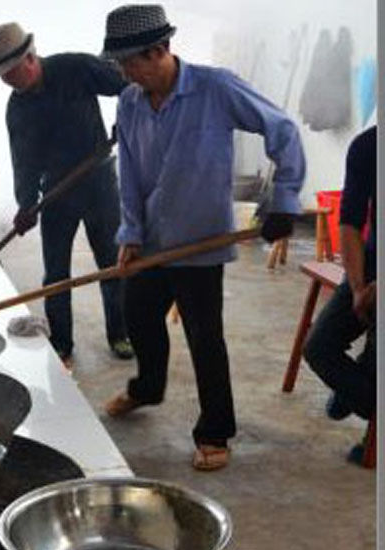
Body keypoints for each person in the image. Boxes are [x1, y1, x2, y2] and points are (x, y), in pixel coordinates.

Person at [100, 5, 305, 471]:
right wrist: (130, 230)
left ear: (161, 50)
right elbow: (128, 171)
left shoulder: (215, 88)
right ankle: (147, 388)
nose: (127, 73)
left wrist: (285, 200)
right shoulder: (130, 101)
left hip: (200, 243)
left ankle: (215, 431)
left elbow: (283, 129)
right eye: (121, 65)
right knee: (138, 316)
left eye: (132, 62)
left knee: (204, 337)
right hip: (151, 241)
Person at [0, 22, 132, 368]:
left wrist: (130, 119)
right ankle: (62, 341)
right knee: (55, 274)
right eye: (3, 75)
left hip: (99, 181)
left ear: (31, 58)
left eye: (11, 72)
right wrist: (26, 204)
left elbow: (127, 85)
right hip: (56, 194)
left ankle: (120, 333)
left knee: (112, 262)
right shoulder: (17, 109)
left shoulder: (75, 68)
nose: (8, 80)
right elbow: (24, 162)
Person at [303, 126, 376, 465]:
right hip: (372, 260)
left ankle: (369, 410)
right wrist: (360, 286)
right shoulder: (368, 145)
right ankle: (363, 390)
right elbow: (349, 222)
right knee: (319, 347)